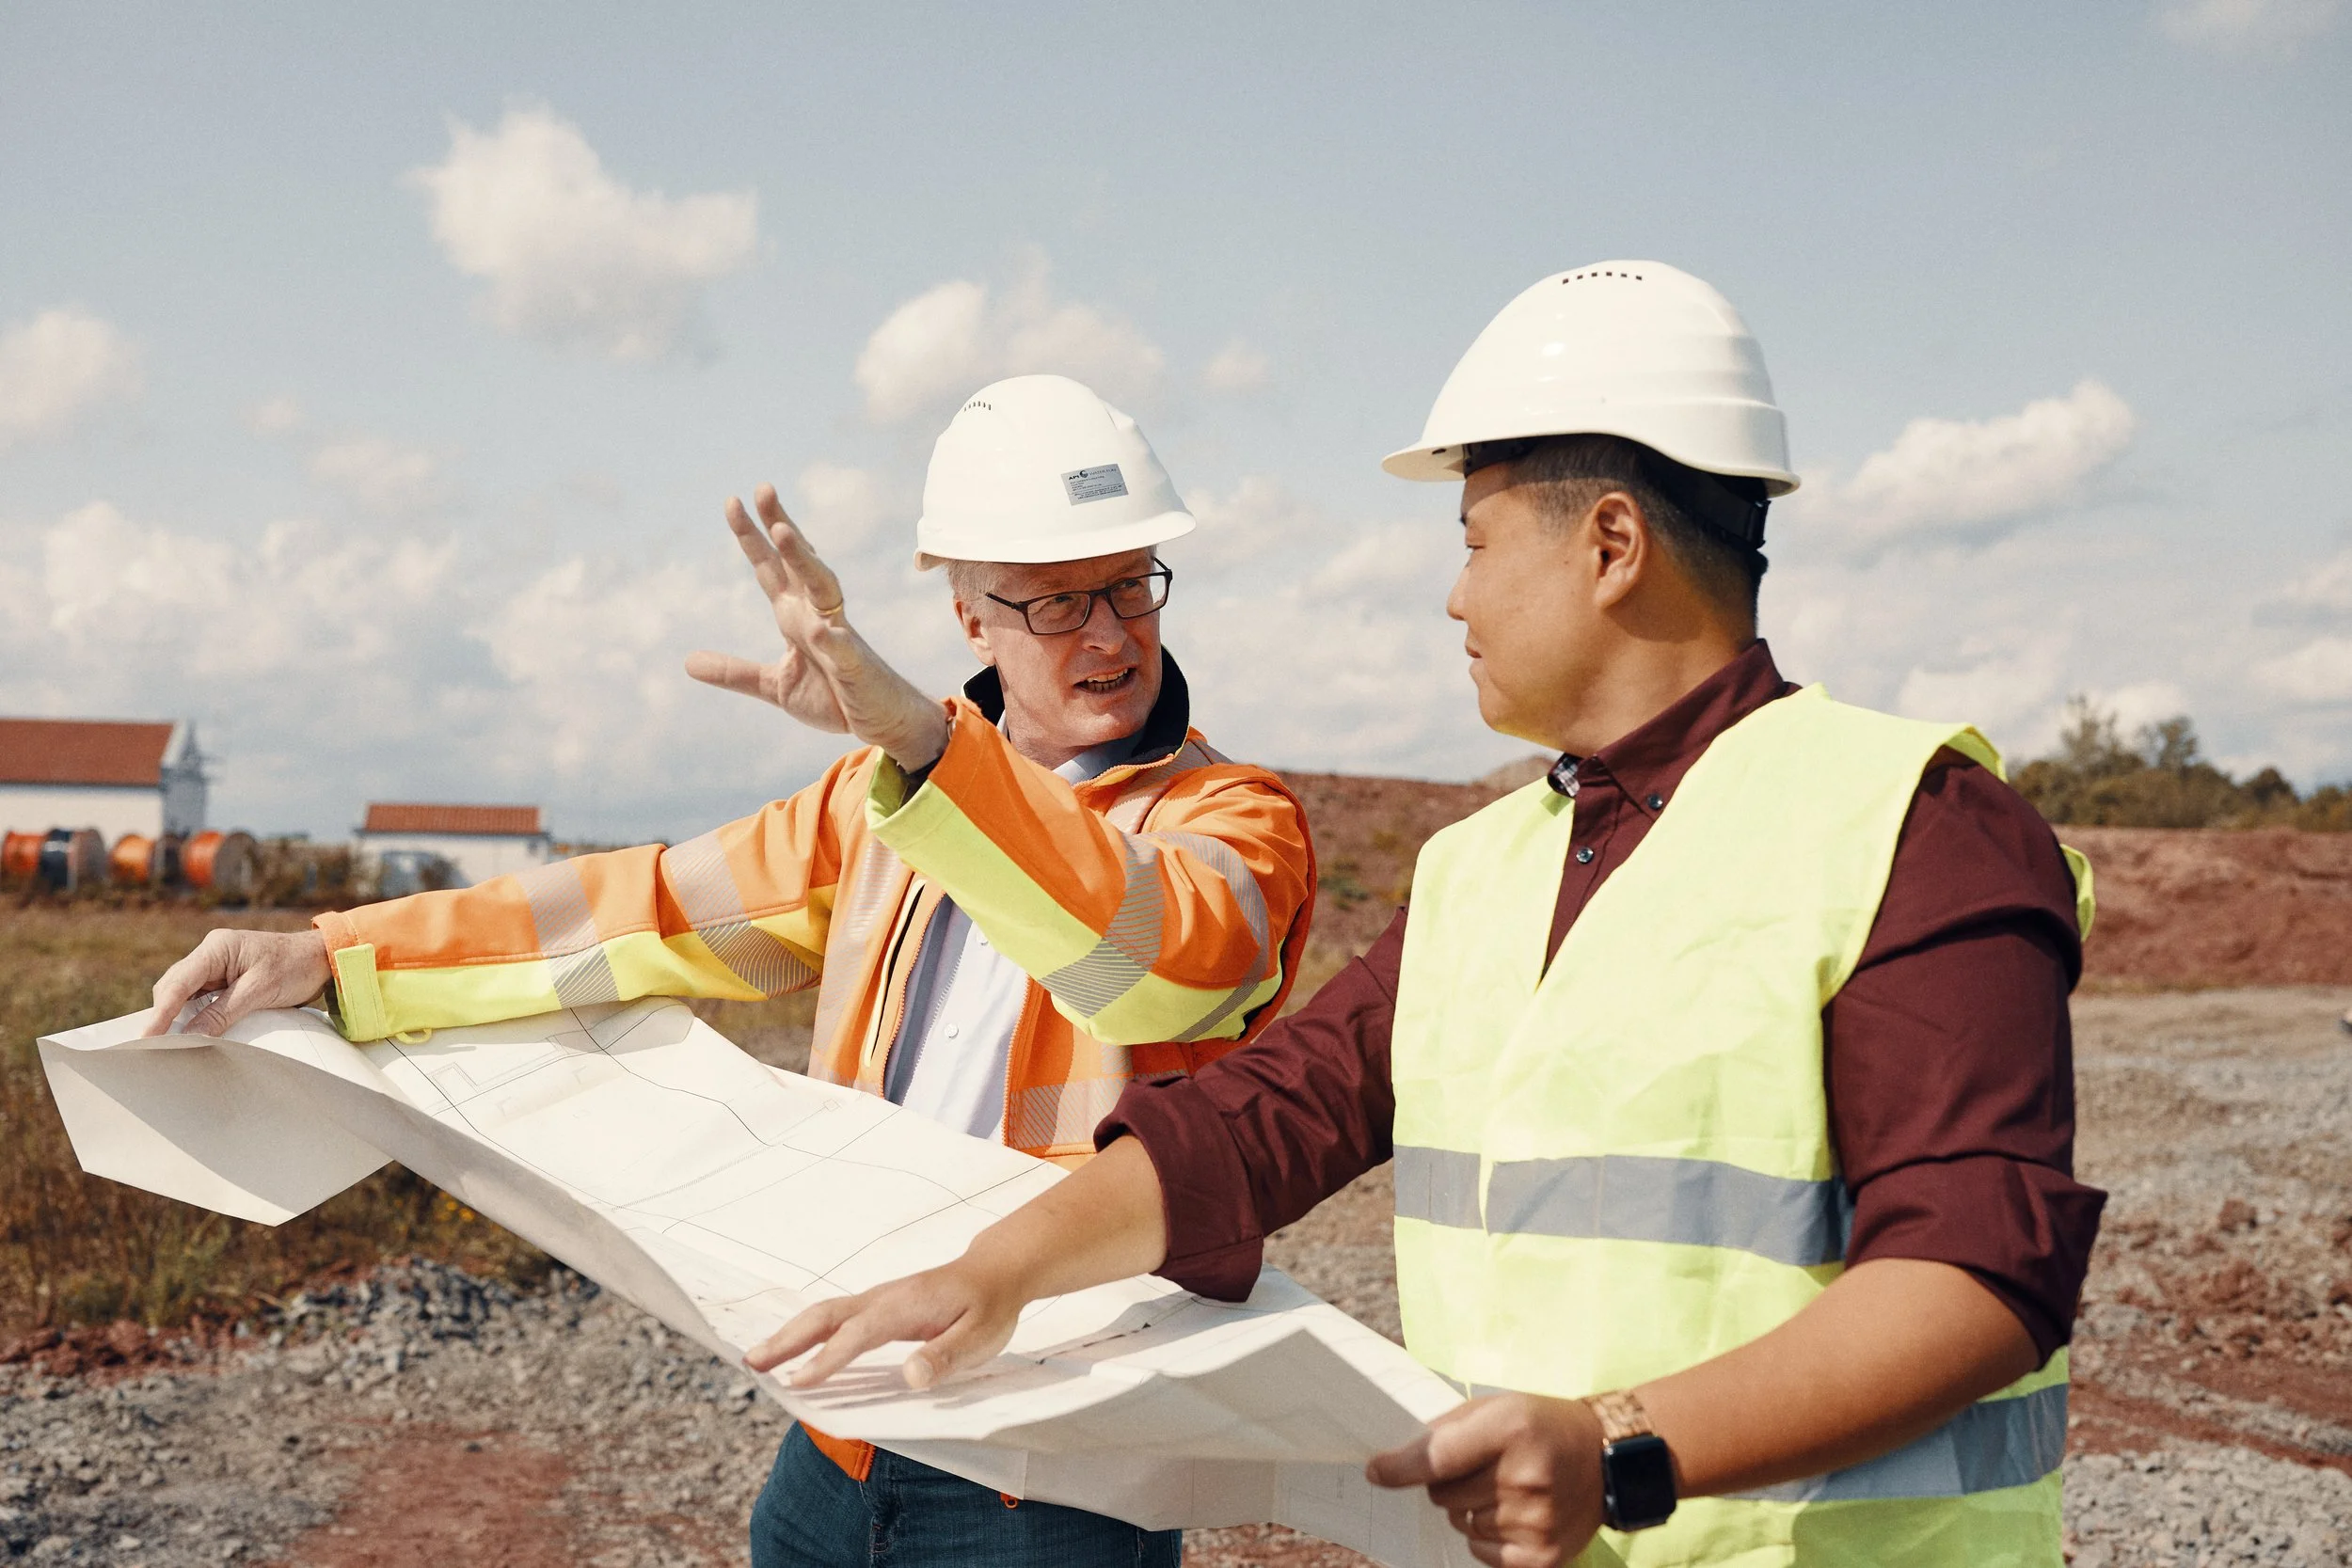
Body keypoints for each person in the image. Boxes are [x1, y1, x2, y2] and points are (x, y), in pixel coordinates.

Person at [750, 264, 2106, 1568]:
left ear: (1612, 544)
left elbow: (1973, 1274)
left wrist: (1618, 1445)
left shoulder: (1914, 825)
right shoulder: (1483, 866)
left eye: (1473, 541)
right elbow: (1261, 1118)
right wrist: (1002, 1266)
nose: (1453, 594)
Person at [142, 373, 1318, 1568]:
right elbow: (631, 910)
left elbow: (1158, 958)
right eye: (1063, 601)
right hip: (847, 1419)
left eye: (1132, 585)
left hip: (1060, 1458)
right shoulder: (872, 815)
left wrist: (922, 741)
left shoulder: (1232, 818)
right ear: (972, 617)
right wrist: (330, 954)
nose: (1112, 632)